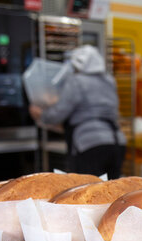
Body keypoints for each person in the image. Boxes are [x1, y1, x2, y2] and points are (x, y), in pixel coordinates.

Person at [29, 45, 126, 179]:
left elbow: (58, 113)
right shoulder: (109, 80)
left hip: (89, 145)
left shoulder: (76, 81)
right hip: (116, 142)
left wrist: (40, 114)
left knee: (88, 192)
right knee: (113, 191)